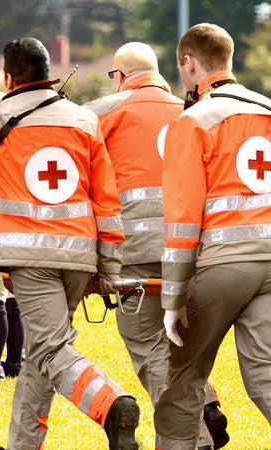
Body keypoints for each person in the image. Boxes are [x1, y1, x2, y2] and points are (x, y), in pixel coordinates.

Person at [0, 38, 139, 449]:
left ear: (9, 77)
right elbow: (106, 199)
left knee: (49, 350)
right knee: (40, 352)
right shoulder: (84, 119)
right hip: (79, 256)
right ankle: (22, 445)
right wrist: (110, 267)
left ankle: (110, 403)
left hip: (28, 255)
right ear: (49, 73)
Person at [83, 41, 228, 449]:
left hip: (135, 250)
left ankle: (195, 436)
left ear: (121, 76)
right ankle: (208, 403)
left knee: (147, 342)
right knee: (181, 340)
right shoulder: (196, 111)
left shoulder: (102, 113)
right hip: (194, 249)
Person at [155, 23, 271, 448]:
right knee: (265, 374)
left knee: (184, 381)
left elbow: (183, 221)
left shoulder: (193, 121)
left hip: (224, 263)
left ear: (189, 64)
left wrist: (173, 298)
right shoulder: (268, 110)